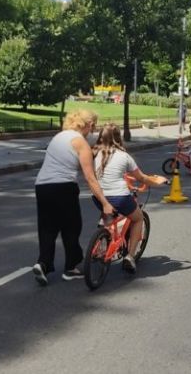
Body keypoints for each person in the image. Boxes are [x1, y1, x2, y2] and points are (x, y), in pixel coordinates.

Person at [32, 109, 114, 286]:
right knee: (71, 226)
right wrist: (105, 202)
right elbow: (90, 177)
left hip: (42, 186)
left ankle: (43, 264)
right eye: (93, 126)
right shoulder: (81, 143)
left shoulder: (59, 137)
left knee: (47, 228)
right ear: (89, 125)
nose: (93, 130)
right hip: (63, 186)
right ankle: (71, 267)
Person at [92, 123, 168, 274]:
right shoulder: (124, 156)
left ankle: (101, 245)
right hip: (119, 197)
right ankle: (130, 256)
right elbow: (142, 178)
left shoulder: (96, 153)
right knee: (138, 218)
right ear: (118, 137)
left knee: (107, 215)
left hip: (98, 196)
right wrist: (159, 181)